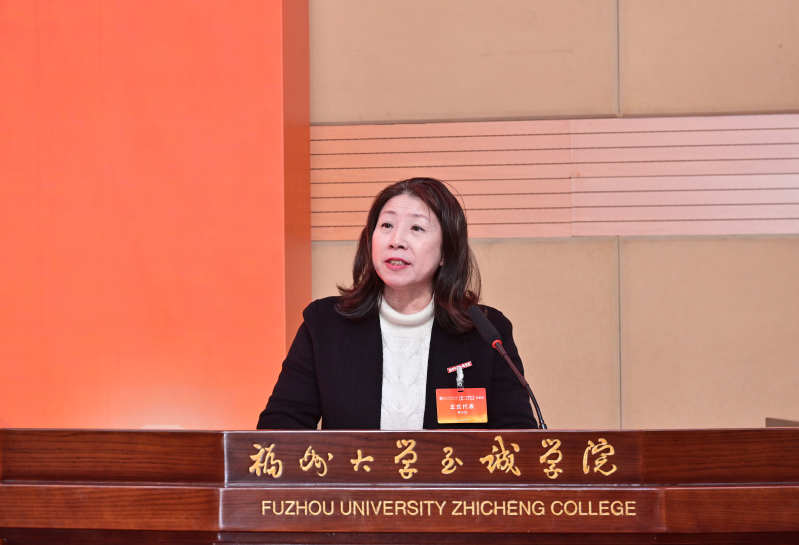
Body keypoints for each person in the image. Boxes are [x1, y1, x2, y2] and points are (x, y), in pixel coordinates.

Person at [257, 177, 538, 430]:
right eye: (387, 225)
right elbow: (279, 430)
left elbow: (519, 440)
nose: (396, 241)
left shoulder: (485, 332)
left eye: (416, 228)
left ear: (446, 252)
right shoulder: (325, 324)